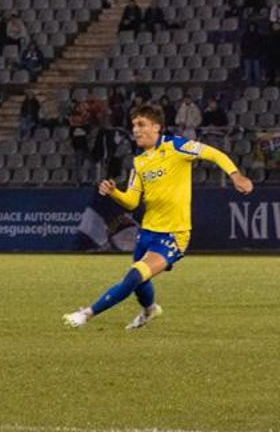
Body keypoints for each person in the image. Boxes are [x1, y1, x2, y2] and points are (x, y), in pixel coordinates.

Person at [65, 105, 252, 329]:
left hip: (173, 234)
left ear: (156, 127)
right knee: (139, 279)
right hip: (147, 233)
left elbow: (213, 153)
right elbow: (132, 201)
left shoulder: (176, 146)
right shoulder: (139, 162)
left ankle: (86, 314)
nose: (135, 130)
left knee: (134, 275)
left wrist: (235, 175)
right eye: (134, 125)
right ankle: (149, 310)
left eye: (141, 125)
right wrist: (115, 192)